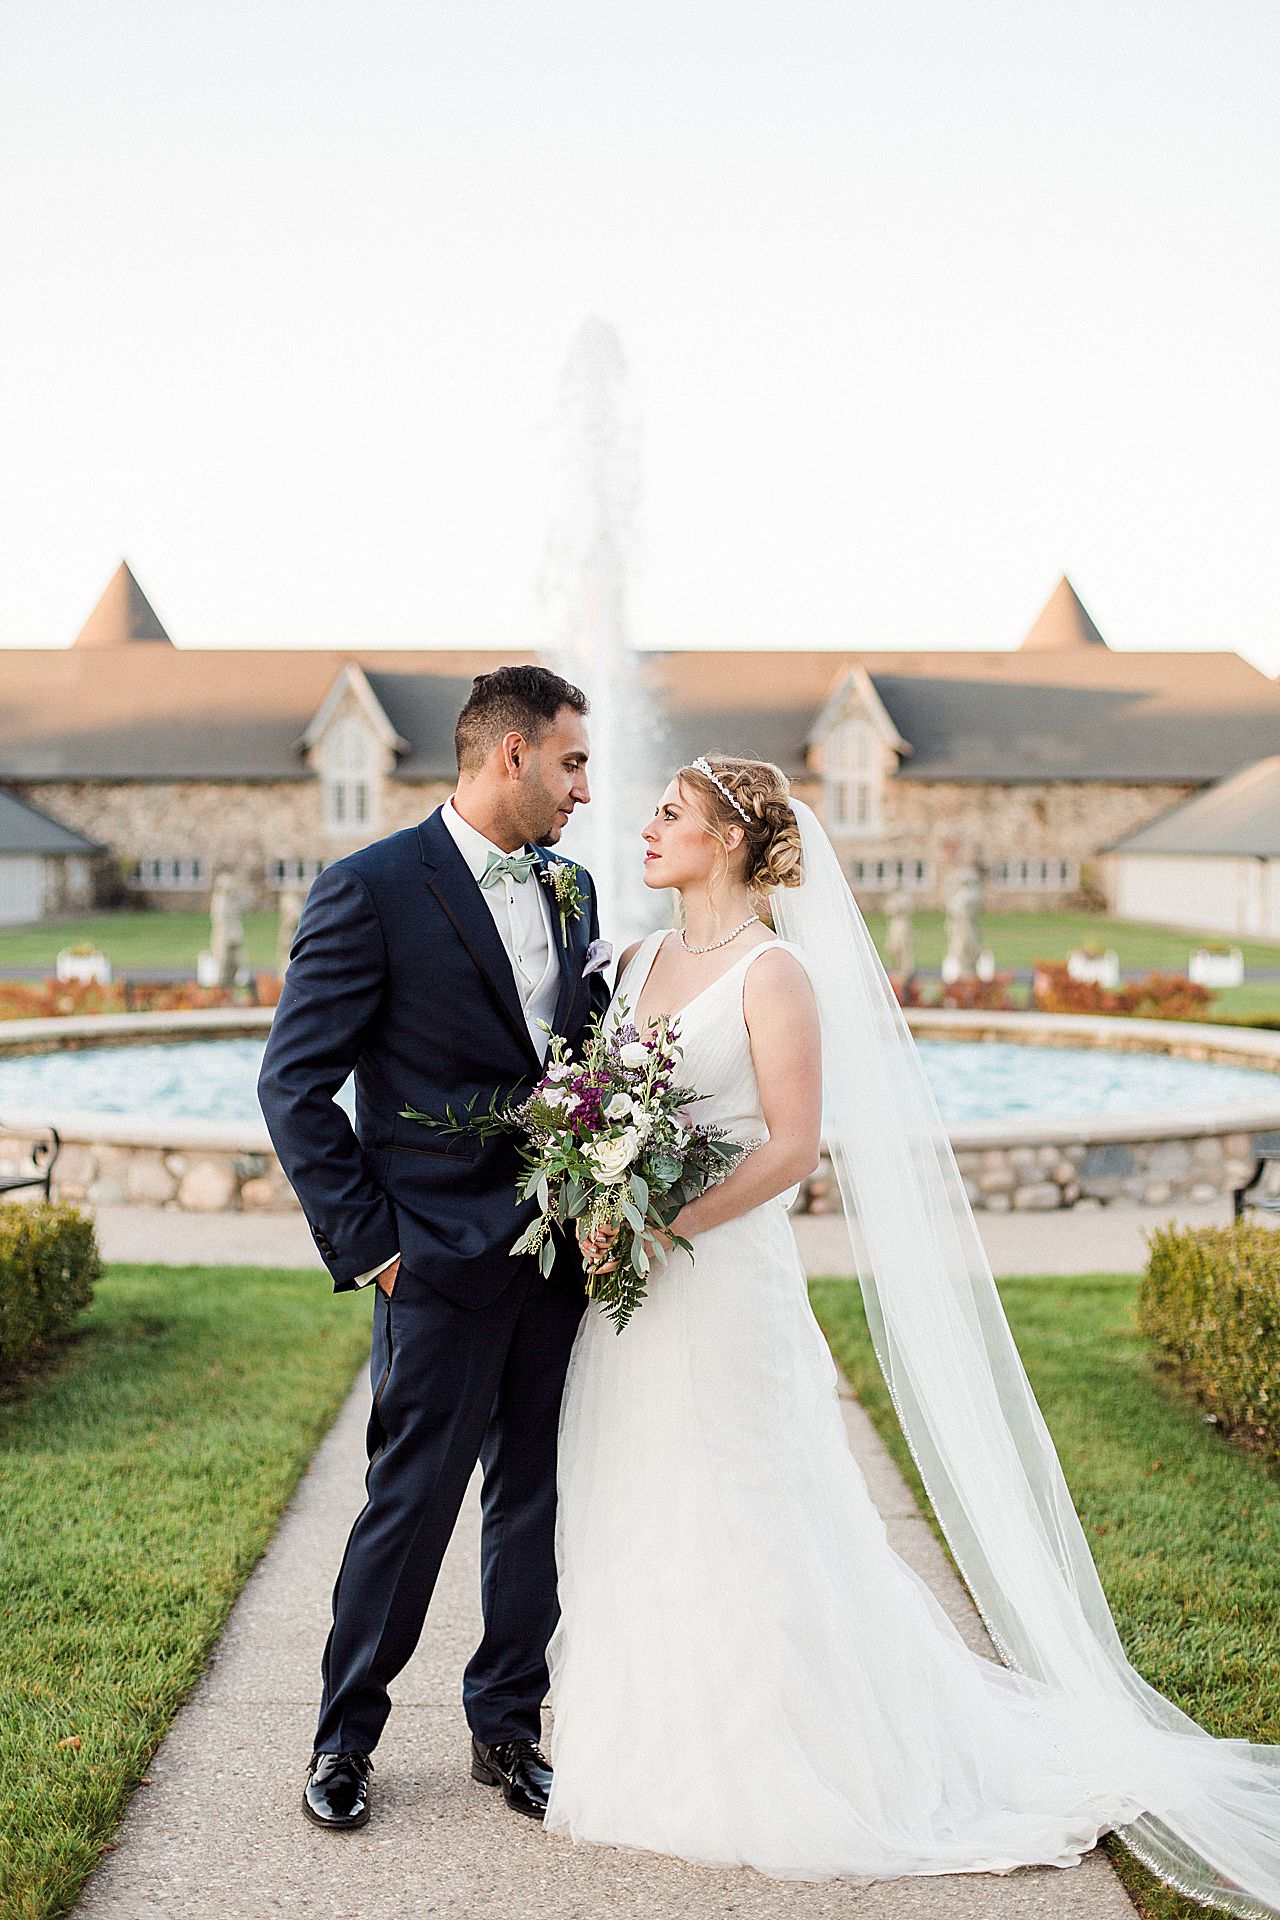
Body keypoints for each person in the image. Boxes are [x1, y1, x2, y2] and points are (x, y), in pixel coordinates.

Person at [548, 753, 1280, 1915]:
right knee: (639, 1494)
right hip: (633, 1288)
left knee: (745, 1503)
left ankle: (787, 1757)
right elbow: (598, 1107)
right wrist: (596, 1198)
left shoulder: (771, 972)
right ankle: (651, 1743)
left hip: (720, 1279)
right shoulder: (633, 961)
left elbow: (790, 1147)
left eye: (672, 815)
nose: (647, 827)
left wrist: (661, 1224)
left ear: (731, 840)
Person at [257, 665, 612, 1832]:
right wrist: (376, 1251)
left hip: (554, 1255)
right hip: (432, 1264)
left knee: (531, 1502)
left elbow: (581, 1068)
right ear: (507, 754)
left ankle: (506, 1731)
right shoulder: (368, 889)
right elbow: (295, 1086)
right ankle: (344, 1740)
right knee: (407, 1505)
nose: (583, 789)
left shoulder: (572, 888)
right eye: (569, 761)